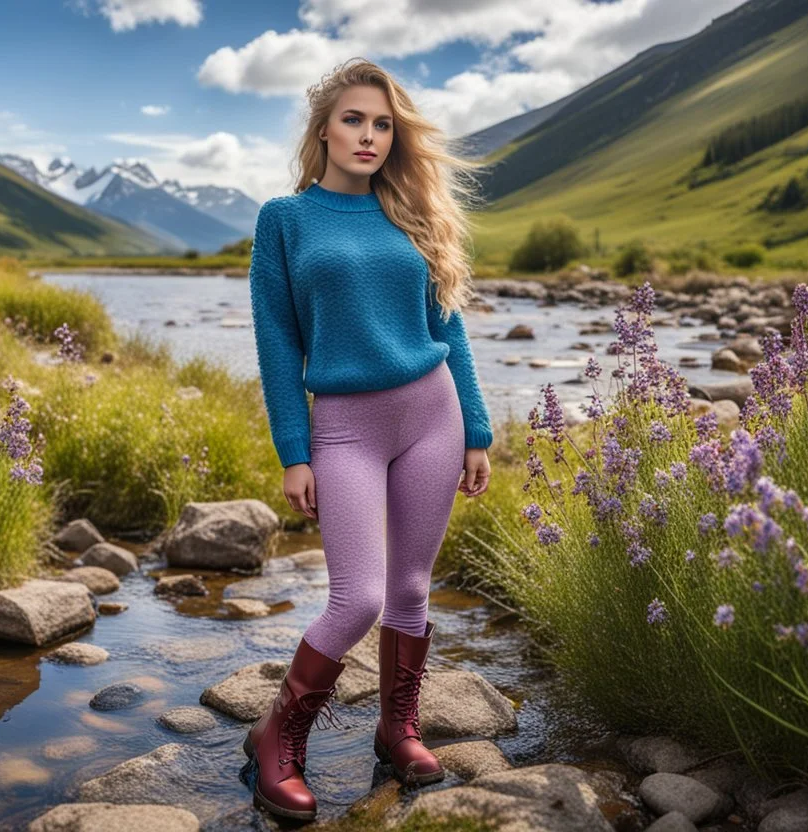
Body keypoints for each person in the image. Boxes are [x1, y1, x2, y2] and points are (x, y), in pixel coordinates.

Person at [242, 57, 494, 821]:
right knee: (356, 599)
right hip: (345, 426)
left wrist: (476, 431)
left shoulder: (412, 211)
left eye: (383, 124)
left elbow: (448, 328)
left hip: (432, 413)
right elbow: (278, 341)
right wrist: (294, 451)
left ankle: (397, 727)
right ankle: (277, 739)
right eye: (354, 119)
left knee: (411, 589)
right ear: (323, 129)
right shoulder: (284, 220)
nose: (370, 135)